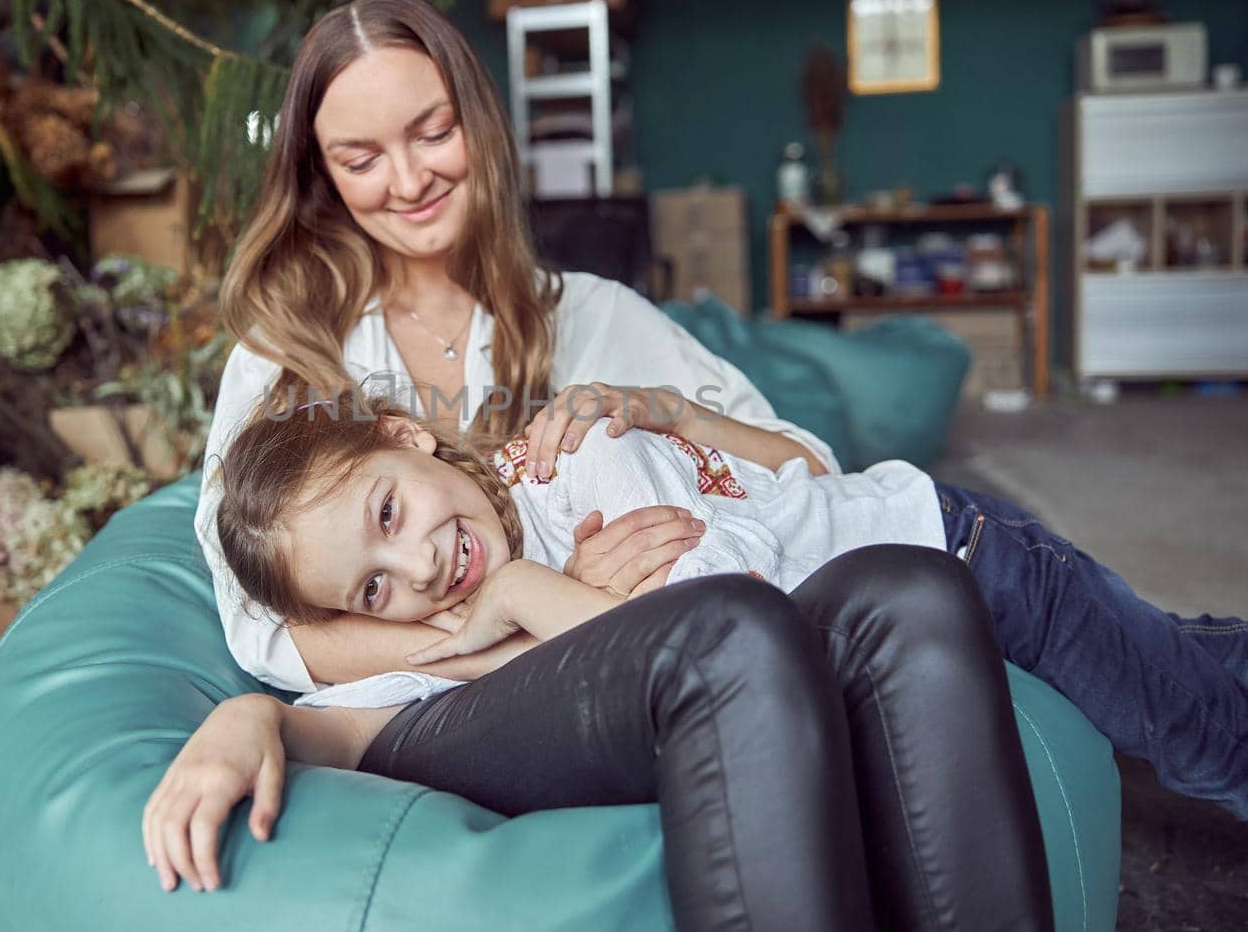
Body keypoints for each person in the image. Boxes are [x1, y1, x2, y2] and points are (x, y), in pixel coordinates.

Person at [196, 0, 1248, 823]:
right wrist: (516, 616)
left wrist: (669, 410)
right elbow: (261, 620)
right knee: (1167, 653)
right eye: (359, 156)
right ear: (321, 174)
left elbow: (805, 469)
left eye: (430, 130)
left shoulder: (590, 315)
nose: (406, 178)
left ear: (479, 123)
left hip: (864, 554)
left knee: (1166, 664)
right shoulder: (288, 350)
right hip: (630, 660)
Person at [148, 394, 1055, 931]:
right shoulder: (435, 646)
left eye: (389, 515)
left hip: (653, 622)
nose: (416, 568)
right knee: (727, 631)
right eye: (373, 591)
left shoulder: (552, 495)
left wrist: (527, 588)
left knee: (914, 590)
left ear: (406, 434)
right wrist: (248, 716)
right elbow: (348, 727)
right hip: (588, 688)